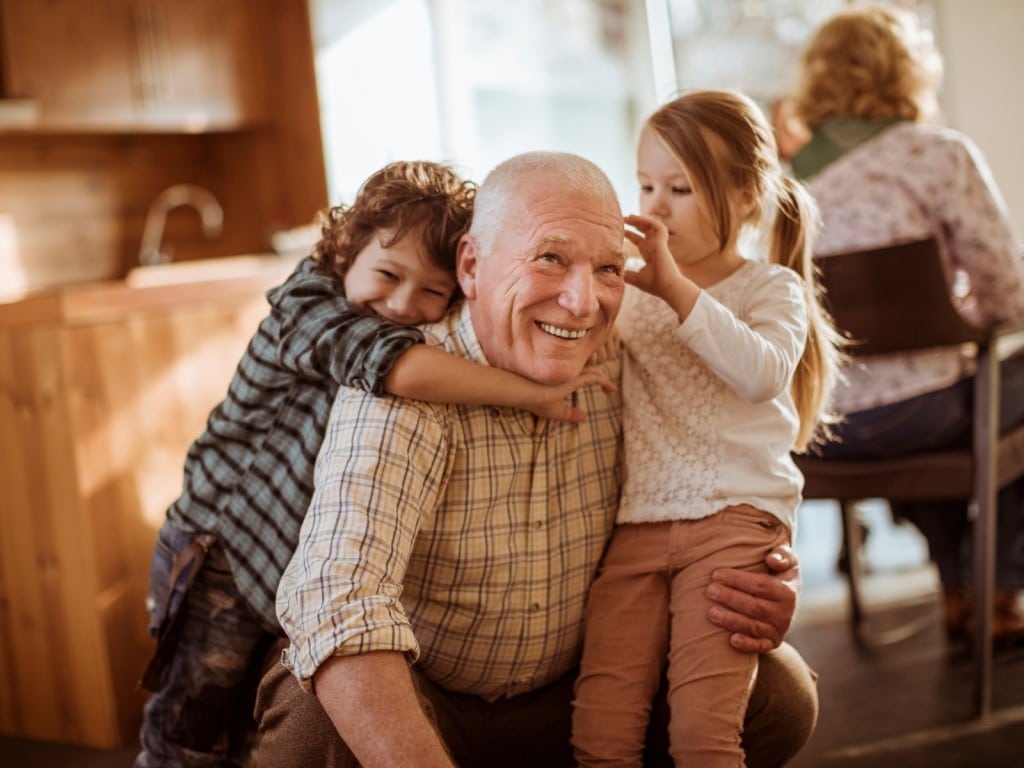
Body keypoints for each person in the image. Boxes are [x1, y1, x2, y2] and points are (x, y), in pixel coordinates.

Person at [251, 150, 819, 768]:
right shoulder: (401, 383)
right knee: (312, 724)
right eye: (551, 258)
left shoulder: (626, 358)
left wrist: (761, 566)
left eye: (608, 268)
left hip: (578, 690)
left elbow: (727, 458)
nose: (582, 302)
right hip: (433, 699)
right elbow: (339, 598)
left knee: (779, 694)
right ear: (471, 266)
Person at [135, 160, 610, 768]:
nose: (402, 304)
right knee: (189, 729)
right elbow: (393, 366)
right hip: (222, 551)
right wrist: (533, 392)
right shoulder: (307, 303)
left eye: (431, 291)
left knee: (247, 730)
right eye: (387, 274)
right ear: (344, 254)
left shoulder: (414, 325)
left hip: (282, 564)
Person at [570, 91, 842, 767]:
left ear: (746, 198)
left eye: (681, 189)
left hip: (734, 522)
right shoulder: (633, 293)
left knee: (703, 735)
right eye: (646, 186)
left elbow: (761, 373)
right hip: (638, 524)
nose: (656, 207)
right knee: (600, 733)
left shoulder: (767, 288)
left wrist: (674, 287)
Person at [788, 4, 1024, 647]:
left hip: (826, 428)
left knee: (938, 409)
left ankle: (958, 589)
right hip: (927, 413)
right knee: (977, 403)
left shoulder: (788, 184)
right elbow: (1008, 298)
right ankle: (996, 585)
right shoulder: (937, 155)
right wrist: (960, 321)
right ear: (908, 72)